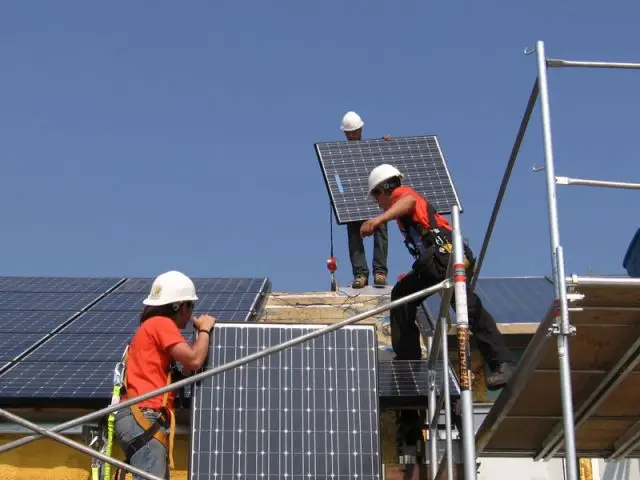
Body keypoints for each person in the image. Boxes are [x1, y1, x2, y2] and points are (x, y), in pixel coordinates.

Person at [360, 164, 515, 390]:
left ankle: (502, 362)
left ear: (383, 189)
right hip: (437, 260)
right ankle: (408, 363)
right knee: (404, 296)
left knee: (466, 305)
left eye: (376, 197)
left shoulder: (401, 195)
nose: (377, 202)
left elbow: (409, 201)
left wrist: (377, 220)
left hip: (445, 255)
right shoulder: (402, 208)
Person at [115, 270, 216, 480]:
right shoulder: (161, 324)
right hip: (144, 413)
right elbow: (195, 360)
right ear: (179, 305)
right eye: (191, 306)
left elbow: (188, 370)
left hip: (137, 416)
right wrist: (205, 330)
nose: (191, 314)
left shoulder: (149, 327)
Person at [340, 110, 391, 288]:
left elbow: (387, 165)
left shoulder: (373, 150)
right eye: (350, 133)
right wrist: (339, 195)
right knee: (354, 235)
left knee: (381, 229)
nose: (353, 135)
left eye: (355, 132)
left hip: (374, 198)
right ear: (346, 133)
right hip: (352, 201)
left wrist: (387, 145)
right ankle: (360, 274)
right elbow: (337, 179)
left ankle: (380, 272)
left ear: (361, 131)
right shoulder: (338, 154)